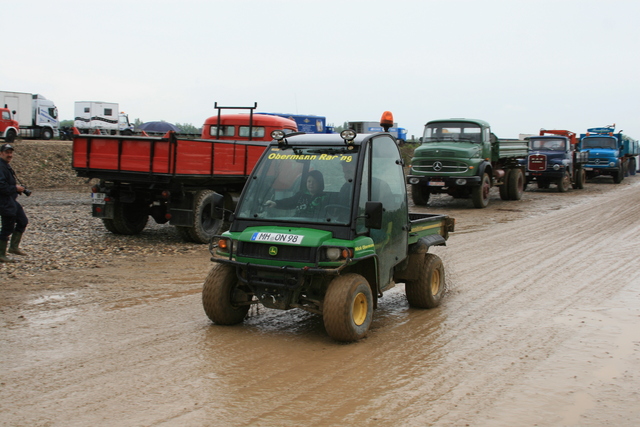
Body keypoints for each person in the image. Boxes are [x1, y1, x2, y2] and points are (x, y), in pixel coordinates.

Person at [0, 144, 29, 263]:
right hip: (3, 201)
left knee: (23, 221)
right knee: (7, 227)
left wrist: (18, 189)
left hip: (11, 200)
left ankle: (13, 247)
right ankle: (1, 254)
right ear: (1, 153)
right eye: (7, 152)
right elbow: (1, 186)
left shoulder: (6, 166)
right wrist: (15, 188)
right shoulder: (0, 167)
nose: (9, 155)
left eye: (11, 152)